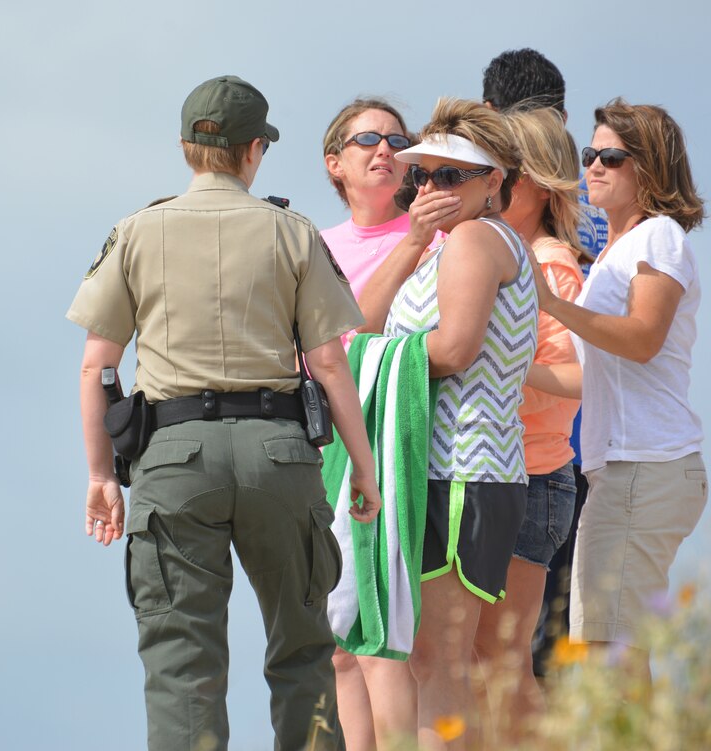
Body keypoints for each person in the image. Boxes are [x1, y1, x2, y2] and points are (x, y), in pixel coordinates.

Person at [67, 75, 382, 751]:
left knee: (183, 662)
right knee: (303, 650)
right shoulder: (292, 232)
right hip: (278, 454)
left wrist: (101, 474)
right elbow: (328, 362)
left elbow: (98, 365)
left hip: (173, 458)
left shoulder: (136, 232)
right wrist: (363, 466)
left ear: (186, 147)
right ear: (253, 152)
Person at [357, 98, 536, 749]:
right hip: (443, 466)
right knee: (429, 658)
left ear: (495, 181)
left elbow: (455, 348)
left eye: (450, 176)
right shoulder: (441, 244)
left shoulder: (475, 239)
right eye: (423, 176)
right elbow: (359, 322)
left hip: (462, 468)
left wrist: (368, 361)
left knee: (439, 659)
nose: (431, 189)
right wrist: (408, 239)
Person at [532, 99, 706, 695]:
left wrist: (553, 305)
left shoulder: (657, 237)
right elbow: (593, 378)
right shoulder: (614, 253)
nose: (593, 167)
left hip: (646, 466)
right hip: (628, 471)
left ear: (650, 167)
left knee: (611, 648)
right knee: (606, 644)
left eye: (611, 156)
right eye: (589, 155)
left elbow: (640, 341)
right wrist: (514, 372)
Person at [481, 46, 607, 675]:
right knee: (555, 649)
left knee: (515, 659)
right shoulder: (605, 197)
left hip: (541, 454)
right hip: (587, 448)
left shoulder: (501, 206)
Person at [320, 97, 436, 751]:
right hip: (327, 447)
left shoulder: (435, 237)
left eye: (399, 139)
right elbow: (319, 346)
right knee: (338, 643)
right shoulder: (315, 247)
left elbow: (354, 330)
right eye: (368, 139)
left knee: (384, 630)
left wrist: (418, 238)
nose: (386, 149)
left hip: (395, 445)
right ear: (334, 163)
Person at [471, 106, 586, 743]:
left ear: (537, 184)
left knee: (504, 665)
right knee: (478, 661)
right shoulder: (506, 254)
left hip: (531, 479)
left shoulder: (549, 264)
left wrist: (502, 368)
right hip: (504, 477)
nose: (488, 183)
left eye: (501, 173)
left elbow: (574, 380)